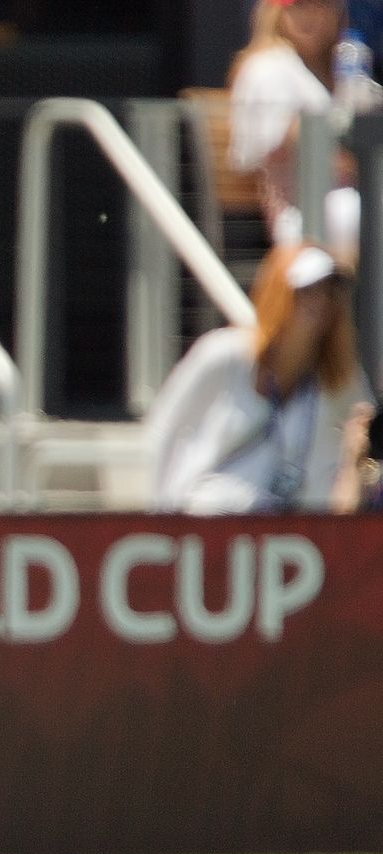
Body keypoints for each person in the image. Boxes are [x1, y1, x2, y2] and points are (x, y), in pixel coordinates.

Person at [145, 242, 368, 514]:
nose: (319, 301)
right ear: (279, 293)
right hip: (209, 521)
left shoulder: (340, 377)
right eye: (306, 290)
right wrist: (159, 518)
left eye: (328, 291)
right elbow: (164, 428)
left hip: (286, 534)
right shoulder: (223, 354)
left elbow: (356, 452)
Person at [230, 0, 362, 265]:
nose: (310, 16)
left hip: (336, 201)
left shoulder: (337, 69)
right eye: (299, 5)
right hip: (298, 214)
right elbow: (272, 149)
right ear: (276, 11)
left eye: (321, 5)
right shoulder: (269, 65)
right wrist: (348, 160)